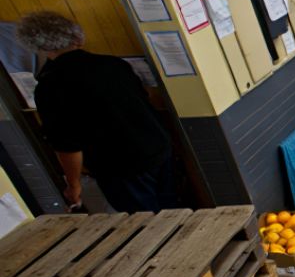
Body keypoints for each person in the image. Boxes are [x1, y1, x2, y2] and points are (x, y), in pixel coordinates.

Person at [18, 11, 176, 213]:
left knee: (146, 220)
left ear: (38, 46)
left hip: (121, 166)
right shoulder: (113, 64)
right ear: (77, 37)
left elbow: (66, 145)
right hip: (158, 147)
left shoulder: (50, 86)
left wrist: (73, 185)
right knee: (173, 210)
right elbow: (143, 99)